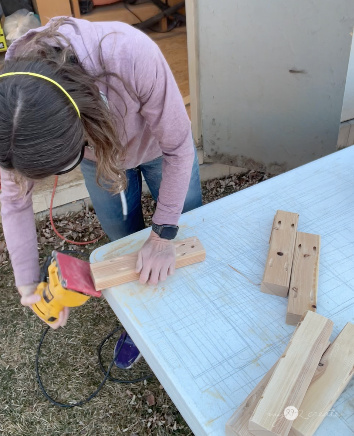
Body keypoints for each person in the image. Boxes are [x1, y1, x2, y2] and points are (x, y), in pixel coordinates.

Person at [0, 16, 202, 341]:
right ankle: (144, 321)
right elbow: (12, 198)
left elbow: (178, 148)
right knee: (122, 237)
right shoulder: (11, 109)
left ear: (80, 114)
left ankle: (191, 307)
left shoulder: (131, 54)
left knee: (188, 223)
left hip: (160, 150)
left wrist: (163, 236)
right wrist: (27, 282)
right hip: (100, 162)